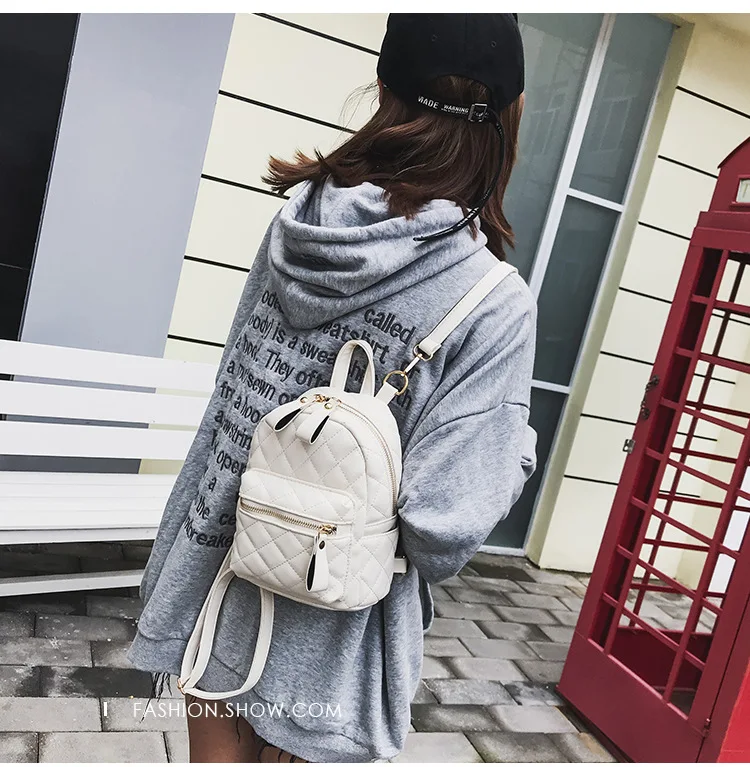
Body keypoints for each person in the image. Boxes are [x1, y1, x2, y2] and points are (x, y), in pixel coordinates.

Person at [128, 13, 536, 763]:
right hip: (330, 635)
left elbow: (235, 394)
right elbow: (443, 524)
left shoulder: (300, 223)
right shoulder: (490, 300)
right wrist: (515, 448)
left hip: (213, 573)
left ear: (382, 87)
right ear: (509, 118)